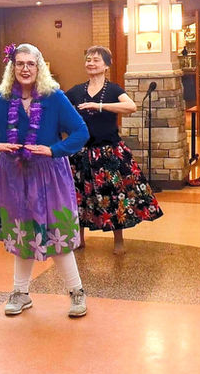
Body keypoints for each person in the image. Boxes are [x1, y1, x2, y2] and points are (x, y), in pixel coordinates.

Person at [0, 43, 90, 317]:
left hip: (49, 173)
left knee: (57, 233)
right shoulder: (2, 100)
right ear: (12, 68)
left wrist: (54, 150)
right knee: (22, 234)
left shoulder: (54, 97)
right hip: (14, 176)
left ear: (39, 67)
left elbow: (81, 131)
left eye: (30, 64)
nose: (24, 69)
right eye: (19, 64)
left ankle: (76, 292)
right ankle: (20, 293)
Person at [65, 46, 163, 254]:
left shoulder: (114, 90)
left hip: (108, 152)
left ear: (106, 66)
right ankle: (79, 238)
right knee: (79, 196)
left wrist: (99, 106)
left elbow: (131, 107)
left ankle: (118, 240)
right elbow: (59, 107)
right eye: (88, 59)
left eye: (96, 60)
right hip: (81, 152)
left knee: (116, 195)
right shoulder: (75, 90)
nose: (91, 63)